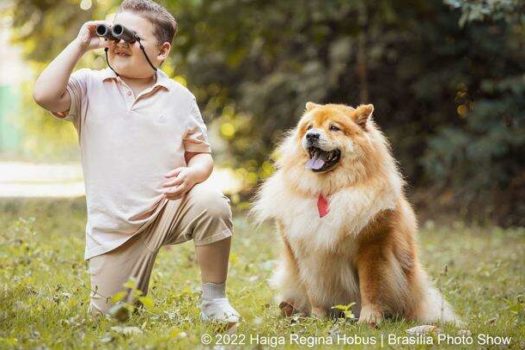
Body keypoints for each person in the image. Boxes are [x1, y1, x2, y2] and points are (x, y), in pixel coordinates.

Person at [32, 0, 240, 326]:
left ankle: (214, 299)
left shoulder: (179, 98)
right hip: (116, 232)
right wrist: (80, 43)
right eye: (116, 32)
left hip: (168, 208)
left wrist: (193, 173)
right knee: (112, 319)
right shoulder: (89, 85)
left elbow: (201, 154)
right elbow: (44, 95)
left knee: (212, 202)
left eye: (133, 36)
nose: (120, 42)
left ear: (162, 51)